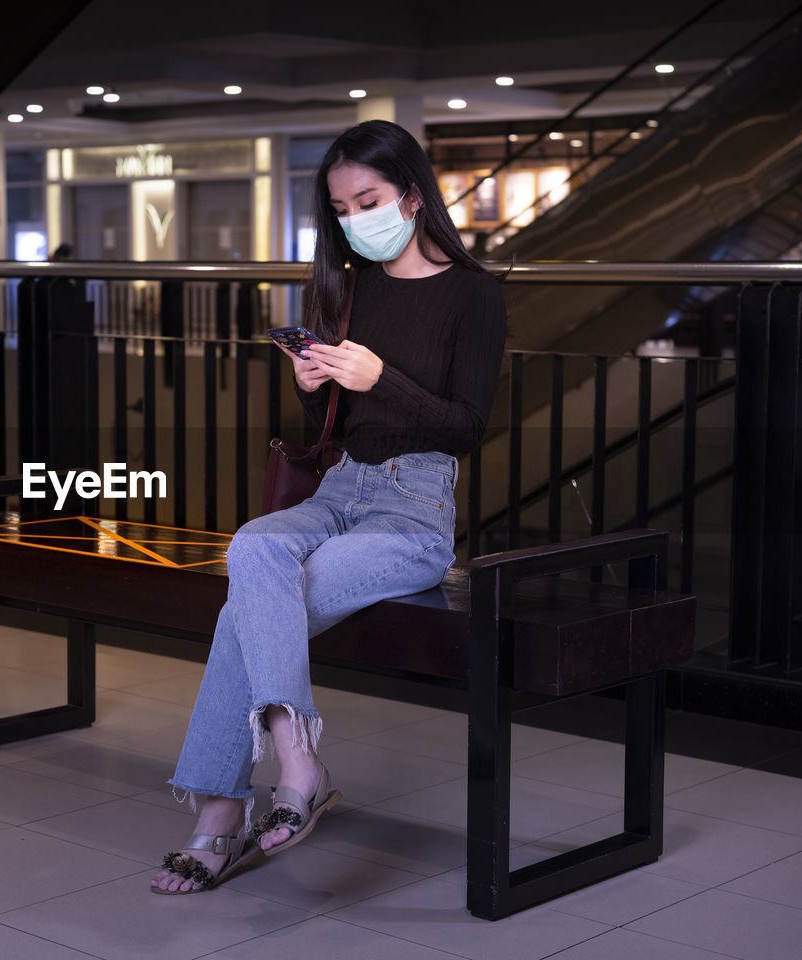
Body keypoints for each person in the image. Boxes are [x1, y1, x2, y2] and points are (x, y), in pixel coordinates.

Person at [150, 119, 507, 894]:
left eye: (368, 200)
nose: (354, 220)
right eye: (341, 208)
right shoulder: (352, 286)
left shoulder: (475, 294)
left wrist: (381, 375)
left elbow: (468, 428)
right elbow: (335, 430)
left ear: (412, 196)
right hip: (339, 486)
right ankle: (300, 762)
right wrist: (315, 387)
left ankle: (218, 817)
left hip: (414, 510)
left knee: (247, 608)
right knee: (254, 548)